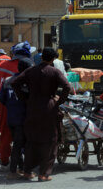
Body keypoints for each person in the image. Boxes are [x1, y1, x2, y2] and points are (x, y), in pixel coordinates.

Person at [11, 47, 71, 182]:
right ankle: (44, 173)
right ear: (53, 59)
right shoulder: (54, 71)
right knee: (51, 140)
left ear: (42, 57)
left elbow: (14, 83)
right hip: (49, 107)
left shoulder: (30, 70)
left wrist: (25, 98)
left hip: (32, 107)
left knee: (32, 139)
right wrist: (59, 100)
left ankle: (27, 171)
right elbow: (67, 87)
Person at [0, 41, 36, 171]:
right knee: (7, 135)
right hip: (15, 105)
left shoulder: (1, 64)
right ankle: (5, 162)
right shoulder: (27, 66)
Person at [0, 58, 33, 179]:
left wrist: (11, 105)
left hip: (11, 118)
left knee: (17, 143)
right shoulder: (28, 82)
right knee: (20, 145)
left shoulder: (8, 80)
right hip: (22, 118)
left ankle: (21, 168)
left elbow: (1, 98)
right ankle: (13, 171)